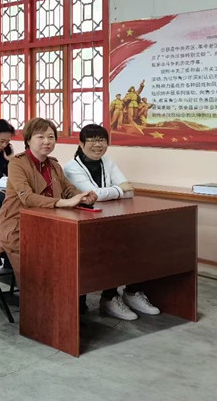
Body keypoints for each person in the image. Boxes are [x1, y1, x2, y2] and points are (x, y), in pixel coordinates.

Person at [62, 124, 159, 320]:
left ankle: (131, 292)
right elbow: (93, 195)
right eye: (92, 140)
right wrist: (119, 190)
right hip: (83, 223)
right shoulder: (71, 168)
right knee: (108, 251)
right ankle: (109, 297)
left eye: (102, 140)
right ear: (81, 144)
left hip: (111, 217)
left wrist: (113, 192)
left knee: (139, 242)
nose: (98, 145)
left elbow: (130, 192)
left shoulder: (108, 162)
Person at [0, 117, 95, 283]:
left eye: (51, 137)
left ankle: (71, 292)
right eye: (40, 137)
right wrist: (63, 202)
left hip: (51, 224)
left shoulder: (54, 164)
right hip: (19, 226)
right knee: (47, 261)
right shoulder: (17, 164)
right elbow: (27, 197)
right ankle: (45, 295)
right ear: (28, 140)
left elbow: (68, 189)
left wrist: (82, 197)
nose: (47, 141)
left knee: (81, 247)